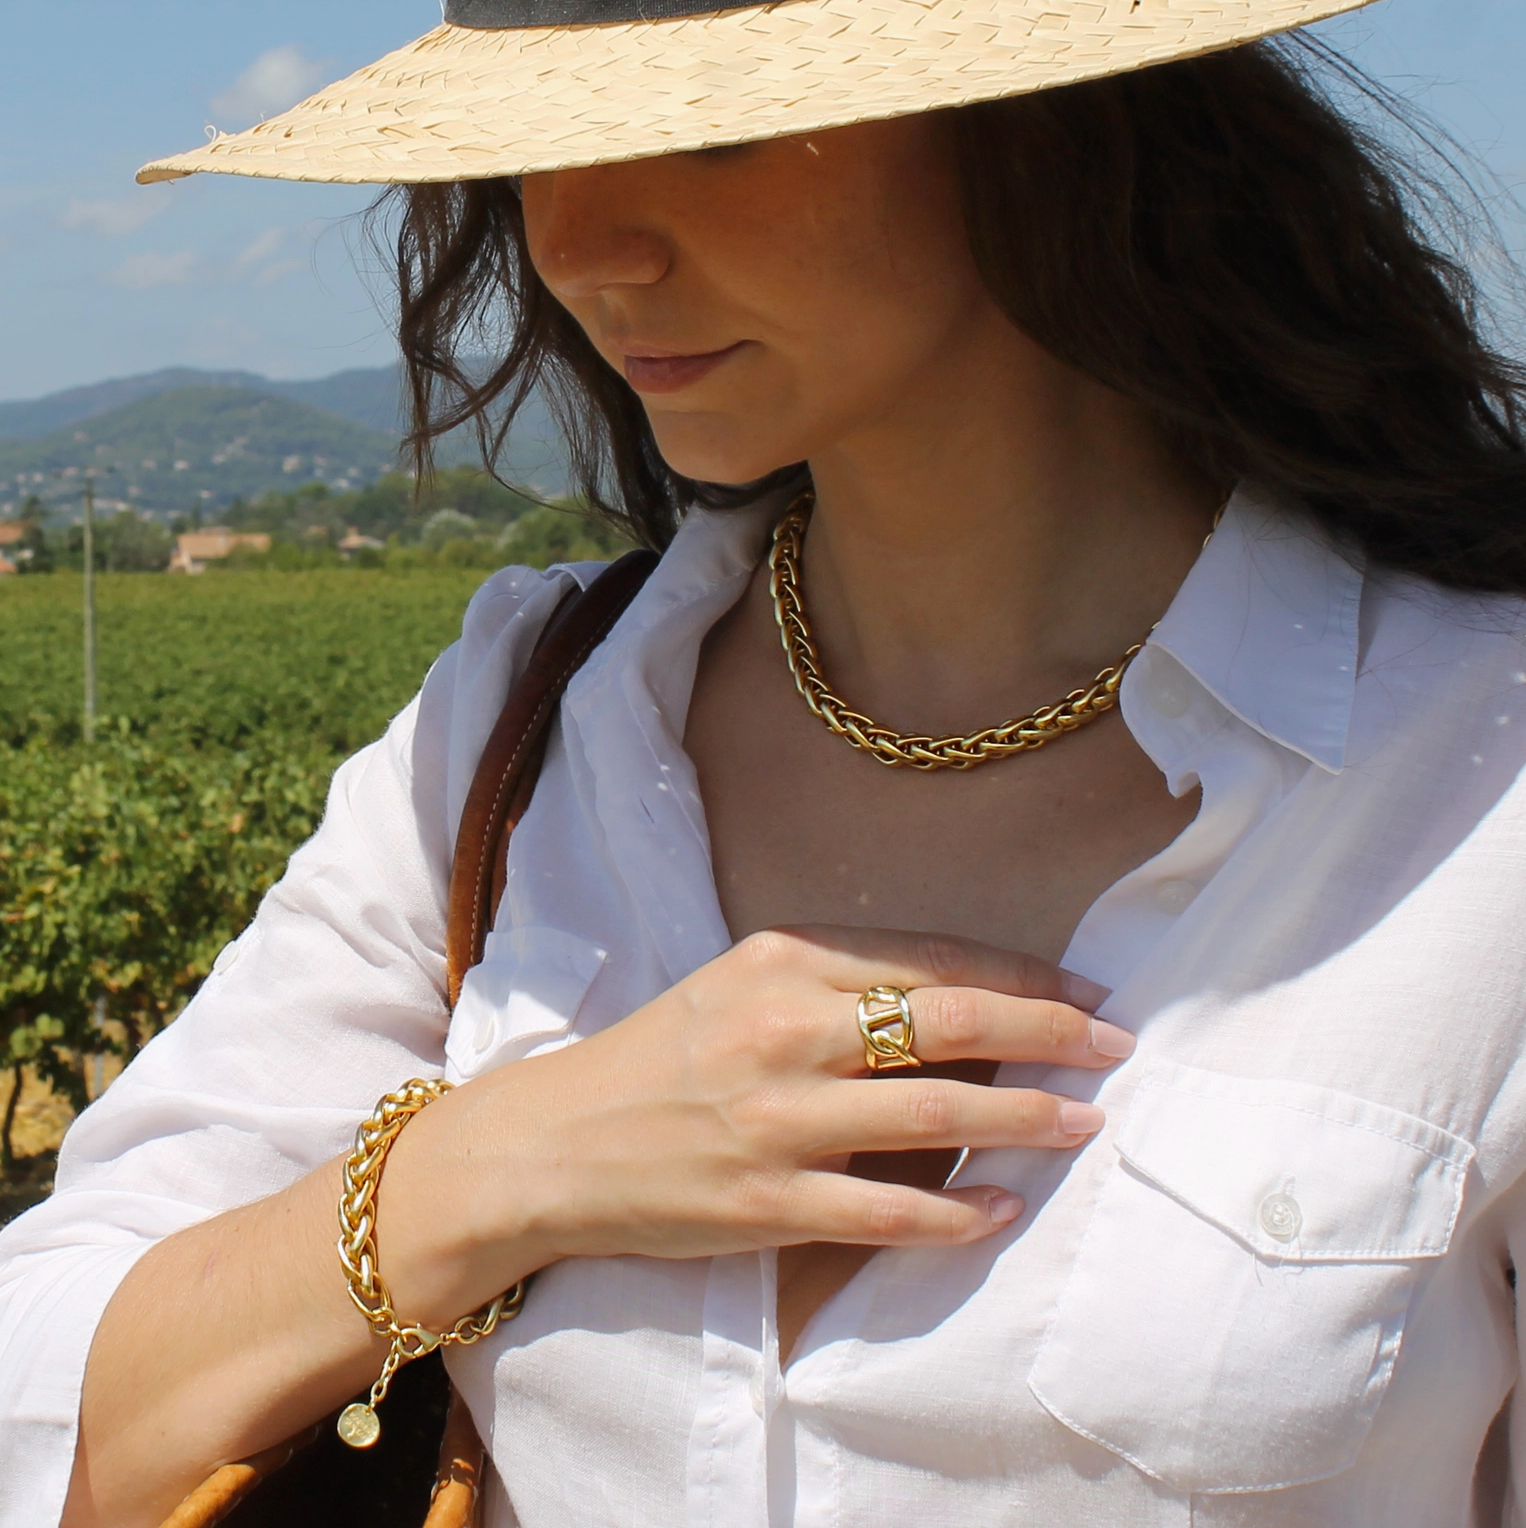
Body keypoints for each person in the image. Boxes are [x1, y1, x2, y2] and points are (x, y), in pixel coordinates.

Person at [5, 0, 1526, 1522]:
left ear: (1048, 130)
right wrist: (492, 1168)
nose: (581, 246)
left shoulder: (1481, 784)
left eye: (706, 134)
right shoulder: (517, 727)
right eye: (535, 151)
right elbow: (55, 1391)